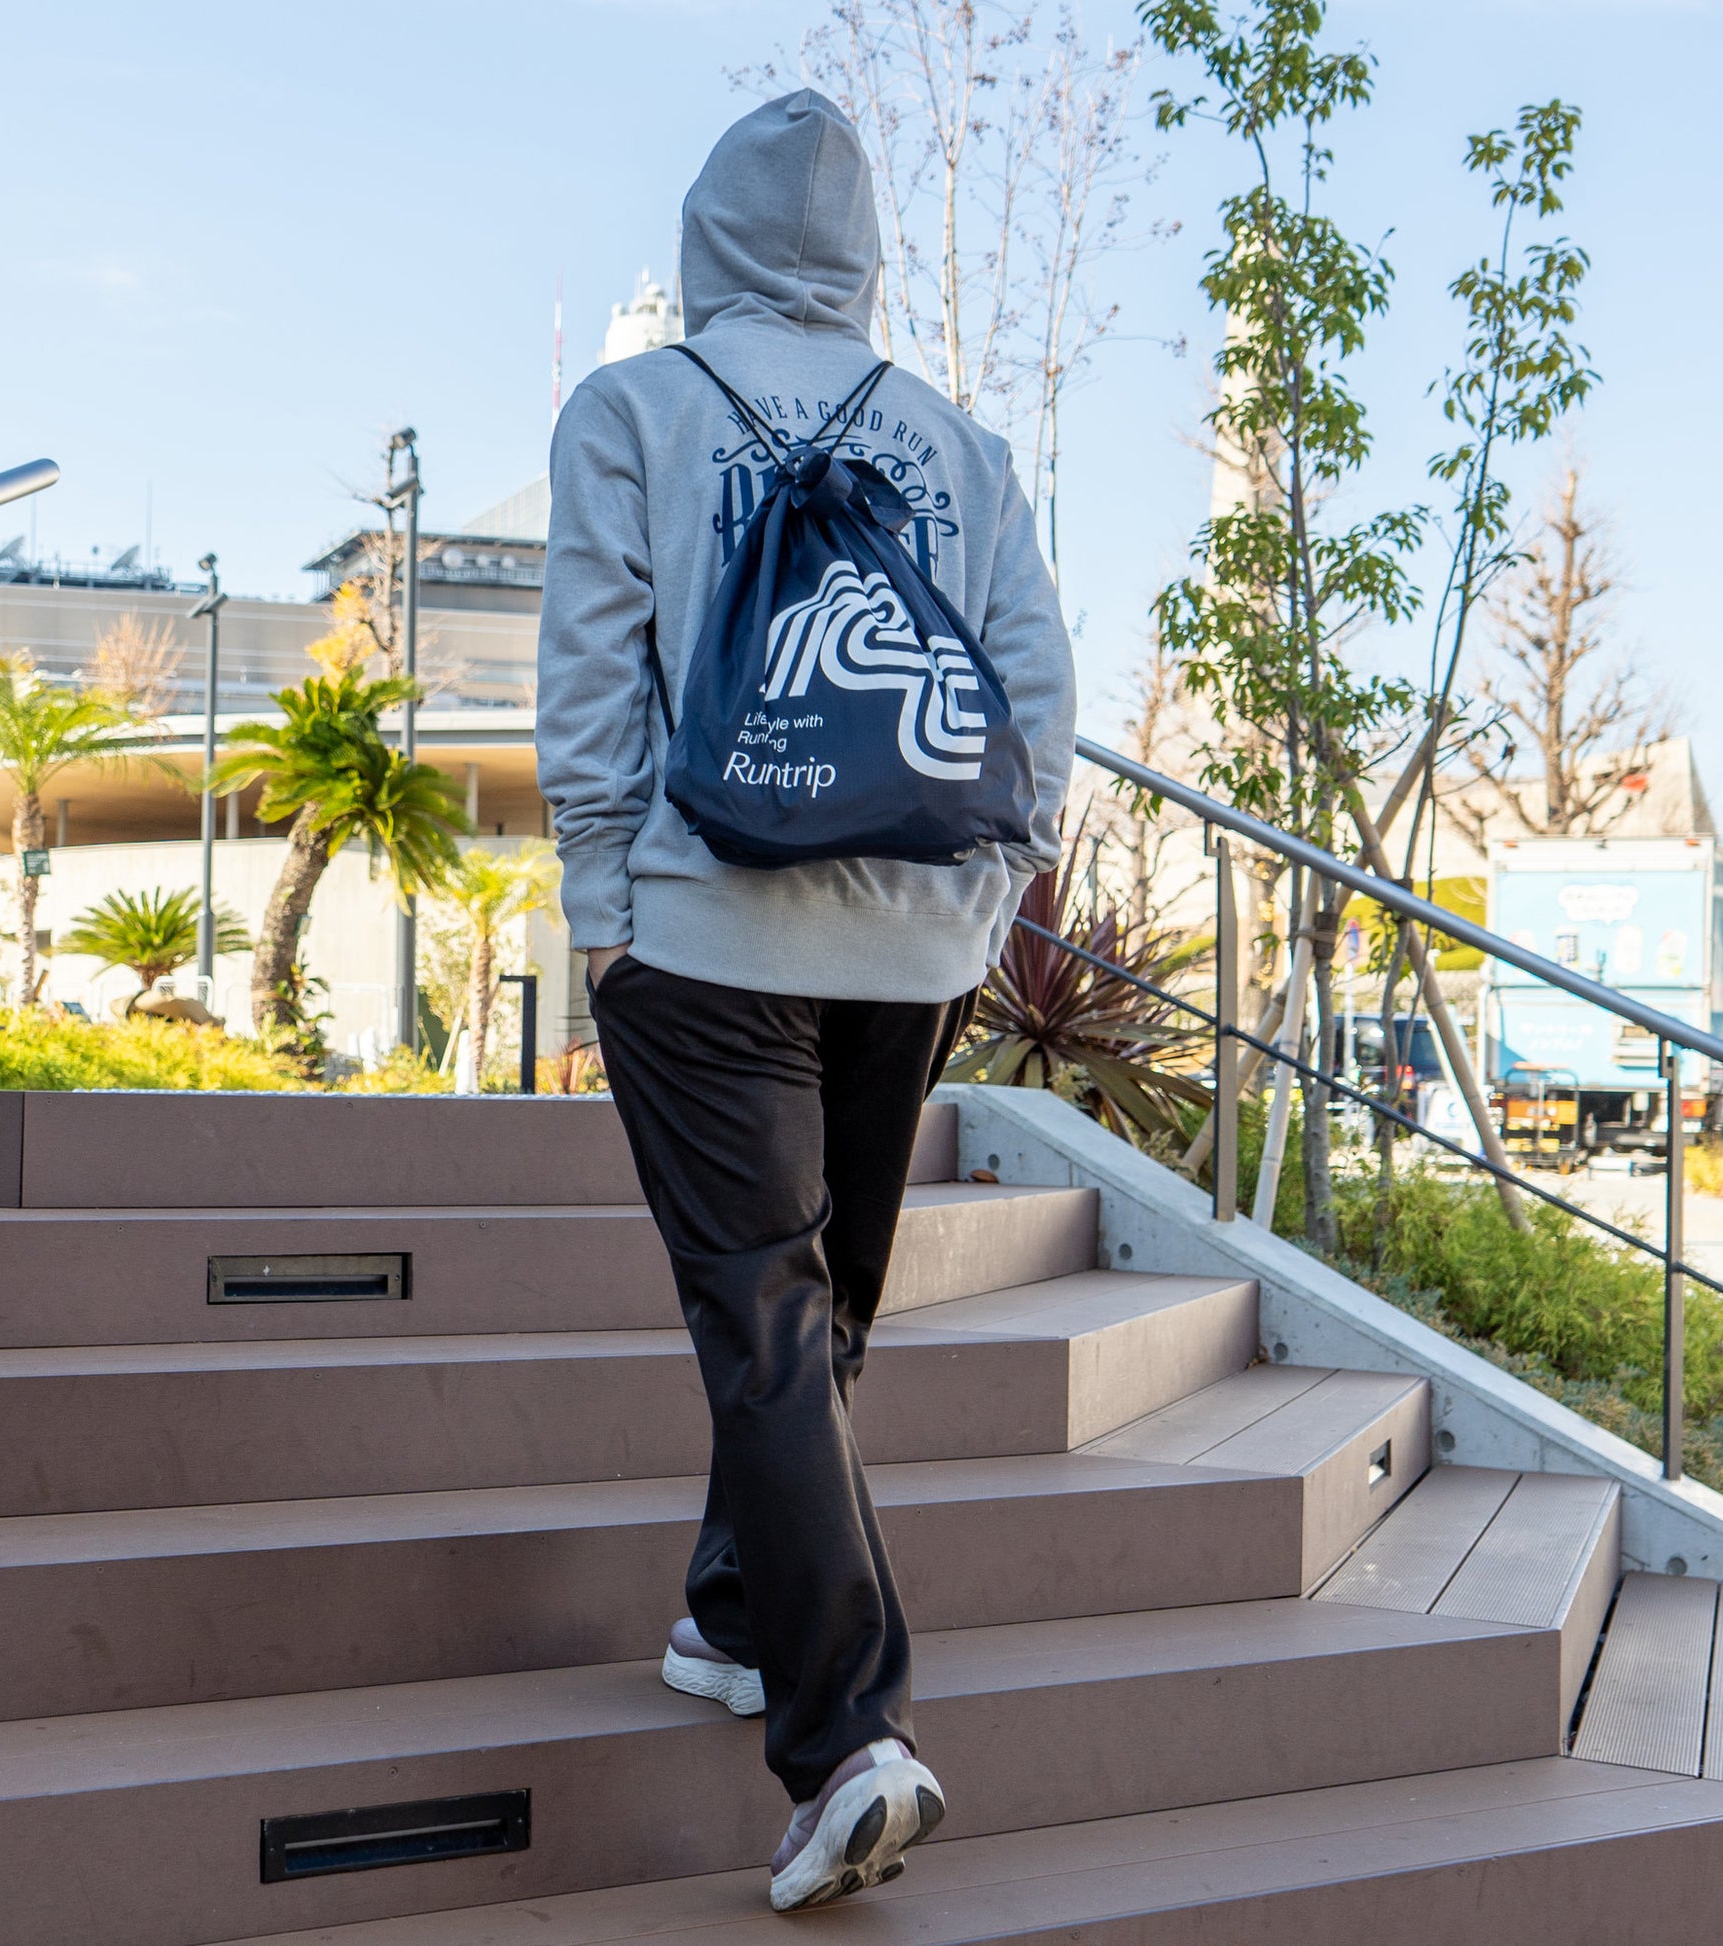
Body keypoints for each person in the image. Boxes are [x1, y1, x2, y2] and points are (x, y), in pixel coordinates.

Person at [536, 89, 1076, 1911]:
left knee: (769, 1313)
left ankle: (848, 1740)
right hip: (910, 940)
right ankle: (729, 1609)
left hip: (705, 936)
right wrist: (980, 902)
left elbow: (592, 673)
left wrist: (605, 909)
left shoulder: (633, 407)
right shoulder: (959, 442)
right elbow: (1034, 697)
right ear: (858, 260)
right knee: (817, 1306)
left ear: (707, 240)